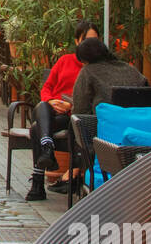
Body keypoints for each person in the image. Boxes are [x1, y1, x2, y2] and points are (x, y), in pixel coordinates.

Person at [27, 20, 99, 201]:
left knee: (37, 129)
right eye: (85, 40)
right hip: (52, 110)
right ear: (77, 41)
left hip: (72, 116)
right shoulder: (65, 61)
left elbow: (93, 100)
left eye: (94, 40)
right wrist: (51, 101)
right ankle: (47, 146)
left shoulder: (95, 68)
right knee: (42, 106)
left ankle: (38, 182)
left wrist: (70, 106)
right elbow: (47, 87)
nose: (89, 44)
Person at [71, 37, 148, 115]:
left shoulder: (88, 71)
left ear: (85, 60)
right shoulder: (130, 69)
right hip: (138, 120)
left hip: (106, 122)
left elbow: (80, 109)